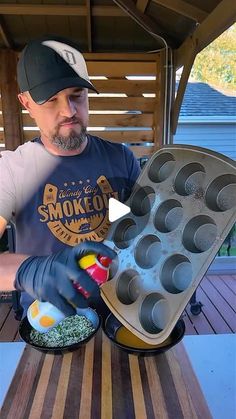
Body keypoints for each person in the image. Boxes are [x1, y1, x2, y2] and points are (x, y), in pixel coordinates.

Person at [0, 35, 140, 317]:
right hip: (52, 320)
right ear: (26, 102)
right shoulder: (11, 170)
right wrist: (32, 270)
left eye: (77, 94)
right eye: (52, 100)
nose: (69, 111)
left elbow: (145, 233)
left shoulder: (121, 158)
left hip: (122, 312)